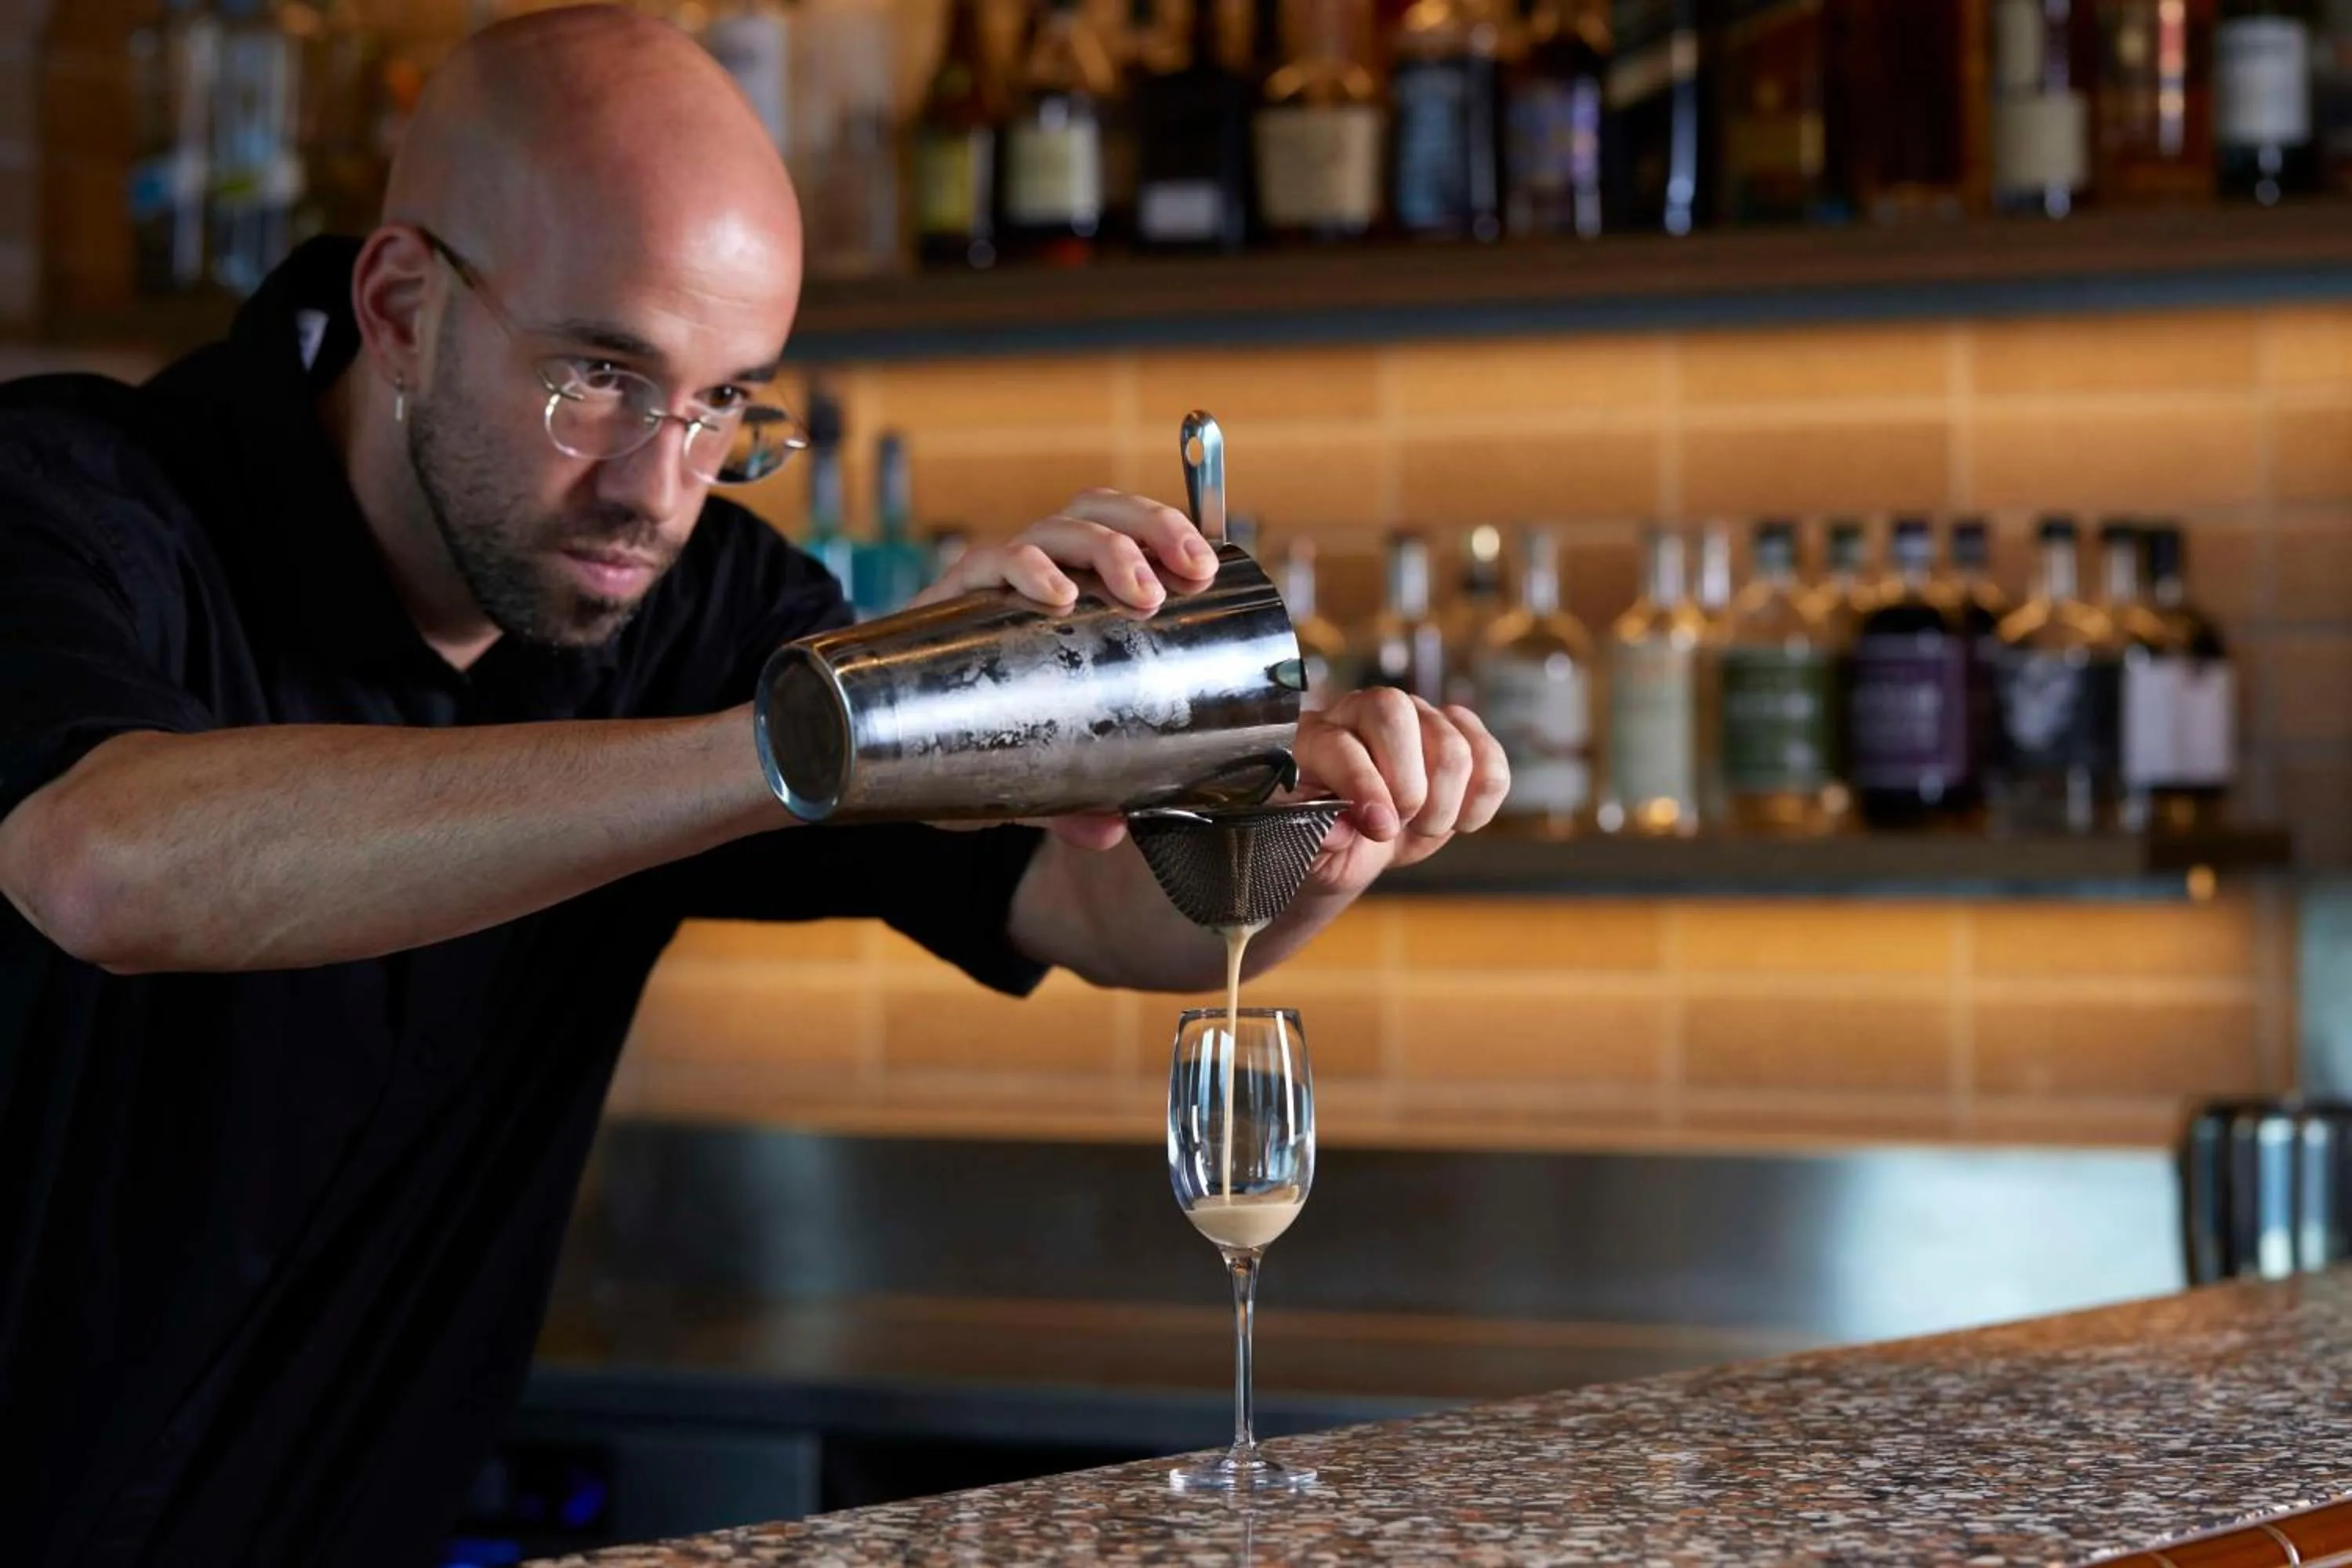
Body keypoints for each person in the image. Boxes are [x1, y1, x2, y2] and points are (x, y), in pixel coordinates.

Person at [0, 6, 1506, 1565]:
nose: (658, 487)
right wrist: (799, 740)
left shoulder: (703, 603)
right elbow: (107, 863)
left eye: (726, 402)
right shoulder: (67, 504)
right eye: (601, 376)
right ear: (400, 308)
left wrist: (1300, 830)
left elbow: (1093, 908)